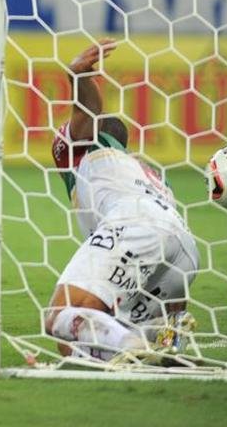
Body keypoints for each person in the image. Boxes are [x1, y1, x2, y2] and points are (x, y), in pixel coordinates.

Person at [43, 39, 198, 364]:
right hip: (184, 250)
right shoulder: (144, 173)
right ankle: (166, 333)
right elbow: (169, 237)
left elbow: (87, 112)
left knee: (60, 318)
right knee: (77, 346)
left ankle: (132, 341)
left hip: (134, 226)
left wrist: (78, 78)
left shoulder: (82, 146)